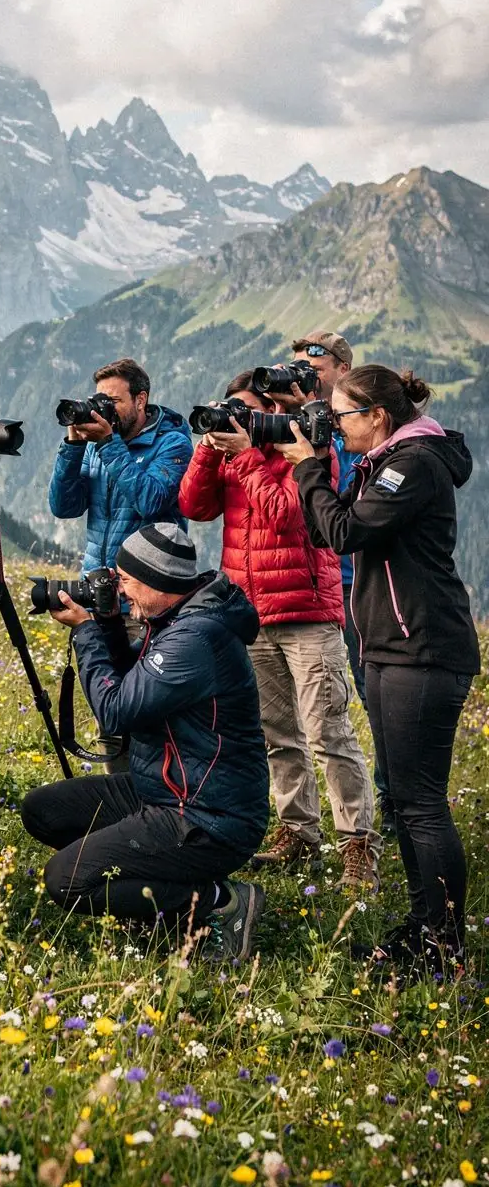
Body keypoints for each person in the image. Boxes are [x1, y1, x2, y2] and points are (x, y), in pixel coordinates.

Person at [283, 365, 481, 974]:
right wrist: (323, 464)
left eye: (342, 416)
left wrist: (311, 465)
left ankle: (444, 945)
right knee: (403, 797)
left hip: (422, 651)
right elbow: (334, 527)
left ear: (377, 416)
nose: (336, 426)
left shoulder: (412, 465)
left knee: (421, 804)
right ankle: (425, 926)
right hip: (396, 649)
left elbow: (342, 532)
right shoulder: (391, 459)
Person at [21, 523, 270, 961]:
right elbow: (139, 679)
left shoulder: (195, 637)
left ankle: (220, 902)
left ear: (159, 582)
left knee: (67, 879)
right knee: (43, 811)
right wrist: (112, 627)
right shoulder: (174, 617)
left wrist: (85, 634)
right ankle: (157, 896)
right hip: (163, 787)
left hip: (206, 815)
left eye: (126, 581)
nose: (120, 590)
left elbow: (117, 709)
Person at [178, 370, 380, 889]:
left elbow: (287, 516)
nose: (237, 421)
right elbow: (194, 507)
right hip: (251, 614)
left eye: (245, 412)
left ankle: (358, 846)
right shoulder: (230, 457)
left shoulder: (306, 450)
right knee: (277, 734)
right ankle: (299, 833)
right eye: (231, 411)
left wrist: (246, 455)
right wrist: (208, 448)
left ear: (270, 414)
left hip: (306, 612)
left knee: (328, 732)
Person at [290, 330, 394, 831]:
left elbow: (349, 498)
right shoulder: (306, 422)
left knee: (375, 694)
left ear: (342, 371)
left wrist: (323, 434)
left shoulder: (356, 427)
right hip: (319, 579)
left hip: (360, 577)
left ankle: (391, 803)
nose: (307, 379)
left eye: (316, 370)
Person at [48, 357, 192, 576]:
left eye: (113, 401)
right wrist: (73, 446)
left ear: (140, 400)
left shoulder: (173, 444)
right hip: (97, 580)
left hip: (148, 586)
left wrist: (107, 443)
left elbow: (150, 502)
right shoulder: (97, 445)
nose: (106, 411)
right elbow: (64, 507)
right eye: (100, 401)